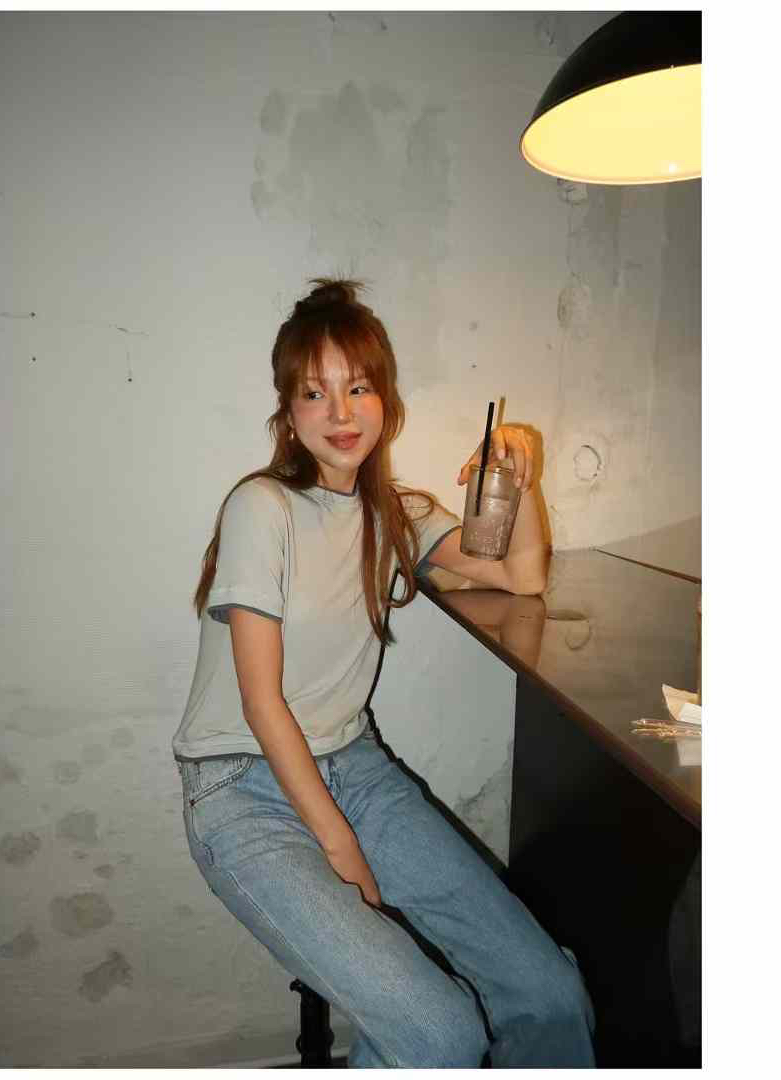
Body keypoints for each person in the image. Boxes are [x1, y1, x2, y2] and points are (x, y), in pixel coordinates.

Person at [173, 279, 596, 1068]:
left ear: (386, 403)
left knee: (548, 993)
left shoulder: (394, 515)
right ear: (288, 413)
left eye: (359, 388)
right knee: (439, 1032)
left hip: (355, 768)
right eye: (315, 393)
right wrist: (342, 849)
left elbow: (523, 576)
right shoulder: (262, 507)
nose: (340, 412)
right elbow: (262, 704)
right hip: (242, 788)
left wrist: (519, 472)